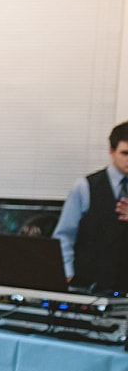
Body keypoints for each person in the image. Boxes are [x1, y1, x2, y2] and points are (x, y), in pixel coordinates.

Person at [52, 123, 128, 295]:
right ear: (111, 151)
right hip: (87, 285)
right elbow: (64, 235)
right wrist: (68, 273)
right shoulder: (85, 187)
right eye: (125, 153)